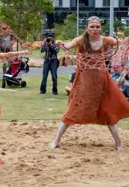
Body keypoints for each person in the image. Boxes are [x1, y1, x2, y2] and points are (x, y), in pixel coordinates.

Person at [51, 16, 129, 150]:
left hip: (102, 80)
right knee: (73, 110)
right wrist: (62, 44)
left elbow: (120, 42)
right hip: (84, 81)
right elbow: (70, 44)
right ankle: (56, 140)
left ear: (100, 28)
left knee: (108, 110)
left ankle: (118, 143)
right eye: (92, 27)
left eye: (97, 27)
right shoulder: (81, 40)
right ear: (87, 28)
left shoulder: (105, 40)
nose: (95, 29)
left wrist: (125, 40)